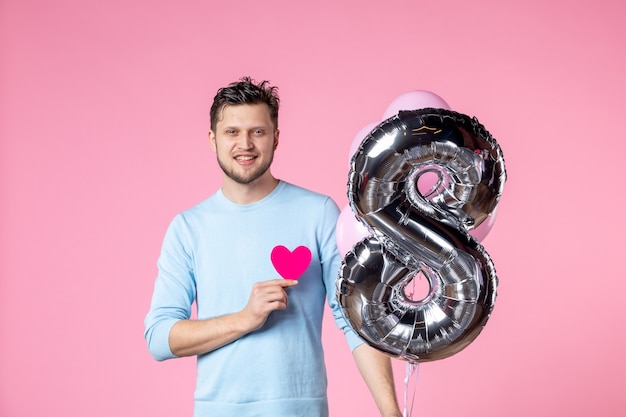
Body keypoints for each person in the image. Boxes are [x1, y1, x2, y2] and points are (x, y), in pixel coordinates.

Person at [144, 76, 402, 417]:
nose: (245, 144)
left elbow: (356, 322)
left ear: (276, 138)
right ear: (213, 139)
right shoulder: (188, 228)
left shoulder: (317, 213)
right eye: (232, 132)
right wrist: (244, 319)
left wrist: (391, 412)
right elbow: (160, 338)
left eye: (258, 131)